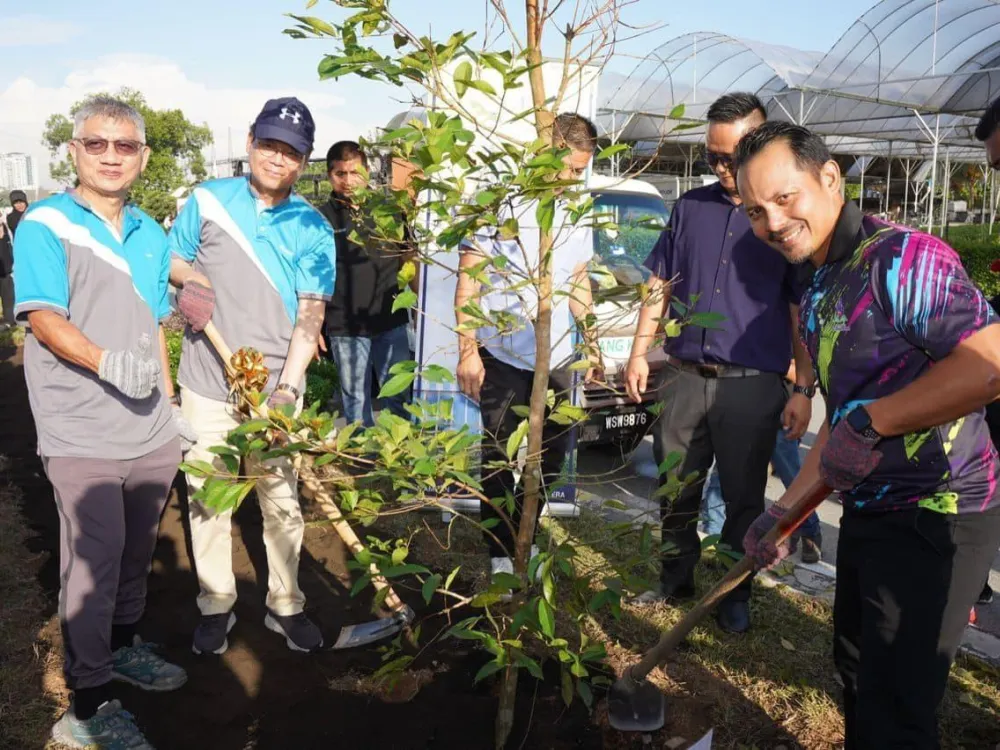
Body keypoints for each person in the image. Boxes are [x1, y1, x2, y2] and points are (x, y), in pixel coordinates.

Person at [736, 120, 1000, 749]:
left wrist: (875, 421)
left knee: (897, 705)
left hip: (941, 509)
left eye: (783, 198)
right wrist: (783, 513)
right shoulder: (824, 282)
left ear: (829, 177)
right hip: (870, 508)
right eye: (753, 211)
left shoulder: (904, 260)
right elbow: (844, 424)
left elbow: (990, 364)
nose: (772, 222)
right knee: (857, 669)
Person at [13, 96, 191, 749]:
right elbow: (42, 317)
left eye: (125, 146)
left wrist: (169, 408)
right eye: (98, 144)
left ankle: (122, 649)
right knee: (95, 557)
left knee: (136, 552)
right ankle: (86, 705)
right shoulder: (46, 225)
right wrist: (103, 360)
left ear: (143, 155)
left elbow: (151, 329)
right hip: (80, 426)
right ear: (74, 150)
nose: (111, 156)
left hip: (149, 429)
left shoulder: (149, 230)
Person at [623, 92, 815, 633]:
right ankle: (674, 581)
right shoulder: (690, 208)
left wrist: (804, 388)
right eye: (714, 157)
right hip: (683, 378)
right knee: (675, 489)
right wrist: (640, 351)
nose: (725, 169)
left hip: (751, 387)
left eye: (735, 156)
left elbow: (799, 308)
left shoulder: (782, 221)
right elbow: (660, 283)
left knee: (743, 500)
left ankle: (734, 594)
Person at [169, 97, 335, 655]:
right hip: (206, 379)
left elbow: (311, 315)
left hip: (274, 385)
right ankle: (216, 604)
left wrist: (287, 390)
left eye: (291, 152)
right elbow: (170, 259)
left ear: (304, 161)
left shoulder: (313, 226)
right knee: (207, 496)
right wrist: (189, 279)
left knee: (281, 497)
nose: (278, 158)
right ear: (249, 142)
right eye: (270, 145)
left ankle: (284, 605)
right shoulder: (207, 200)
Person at [455, 112, 602, 575]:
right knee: (498, 456)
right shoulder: (498, 202)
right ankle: (501, 553)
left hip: (557, 357)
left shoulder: (577, 212)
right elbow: (469, 282)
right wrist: (466, 351)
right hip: (503, 355)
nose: (576, 178)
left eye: (582, 171)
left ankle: (527, 538)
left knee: (551, 459)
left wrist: (591, 342)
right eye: (572, 168)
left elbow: (579, 280)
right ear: (548, 151)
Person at [320, 140, 415, 426]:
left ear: (367, 171)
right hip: (344, 326)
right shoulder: (321, 218)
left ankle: (400, 462)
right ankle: (360, 463)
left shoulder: (389, 210)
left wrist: (423, 308)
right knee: (355, 401)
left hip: (391, 321)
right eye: (340, 174)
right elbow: (314, 276)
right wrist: (313, 328)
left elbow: (408, 257)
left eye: (355, 172)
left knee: (399, 396)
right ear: (329, 175)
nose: (349, 181)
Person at [701, 360, 823, 564]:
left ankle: (810, 530)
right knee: (722, 477)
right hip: (739, 405)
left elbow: (802, 372)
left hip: (780, 410)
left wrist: (764, 362)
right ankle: (713, 540)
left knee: (793, 477)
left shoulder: (791, 332)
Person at [0, 189, 28, 326]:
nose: (19, 205)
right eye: (16, 203)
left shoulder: (34, 212)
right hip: (21, 254)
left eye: (21, 201)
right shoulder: (11, 218)